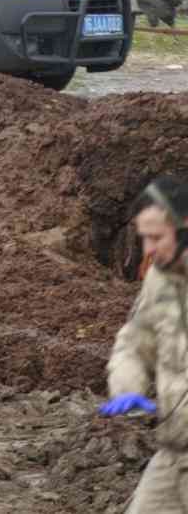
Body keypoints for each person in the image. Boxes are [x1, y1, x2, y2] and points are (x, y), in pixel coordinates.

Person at [103, 175, 188, 513]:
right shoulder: (160, 279)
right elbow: (134, 343)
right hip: (174, 452)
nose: (148, 250)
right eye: (144, 239)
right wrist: (126, 387)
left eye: (156, 238)